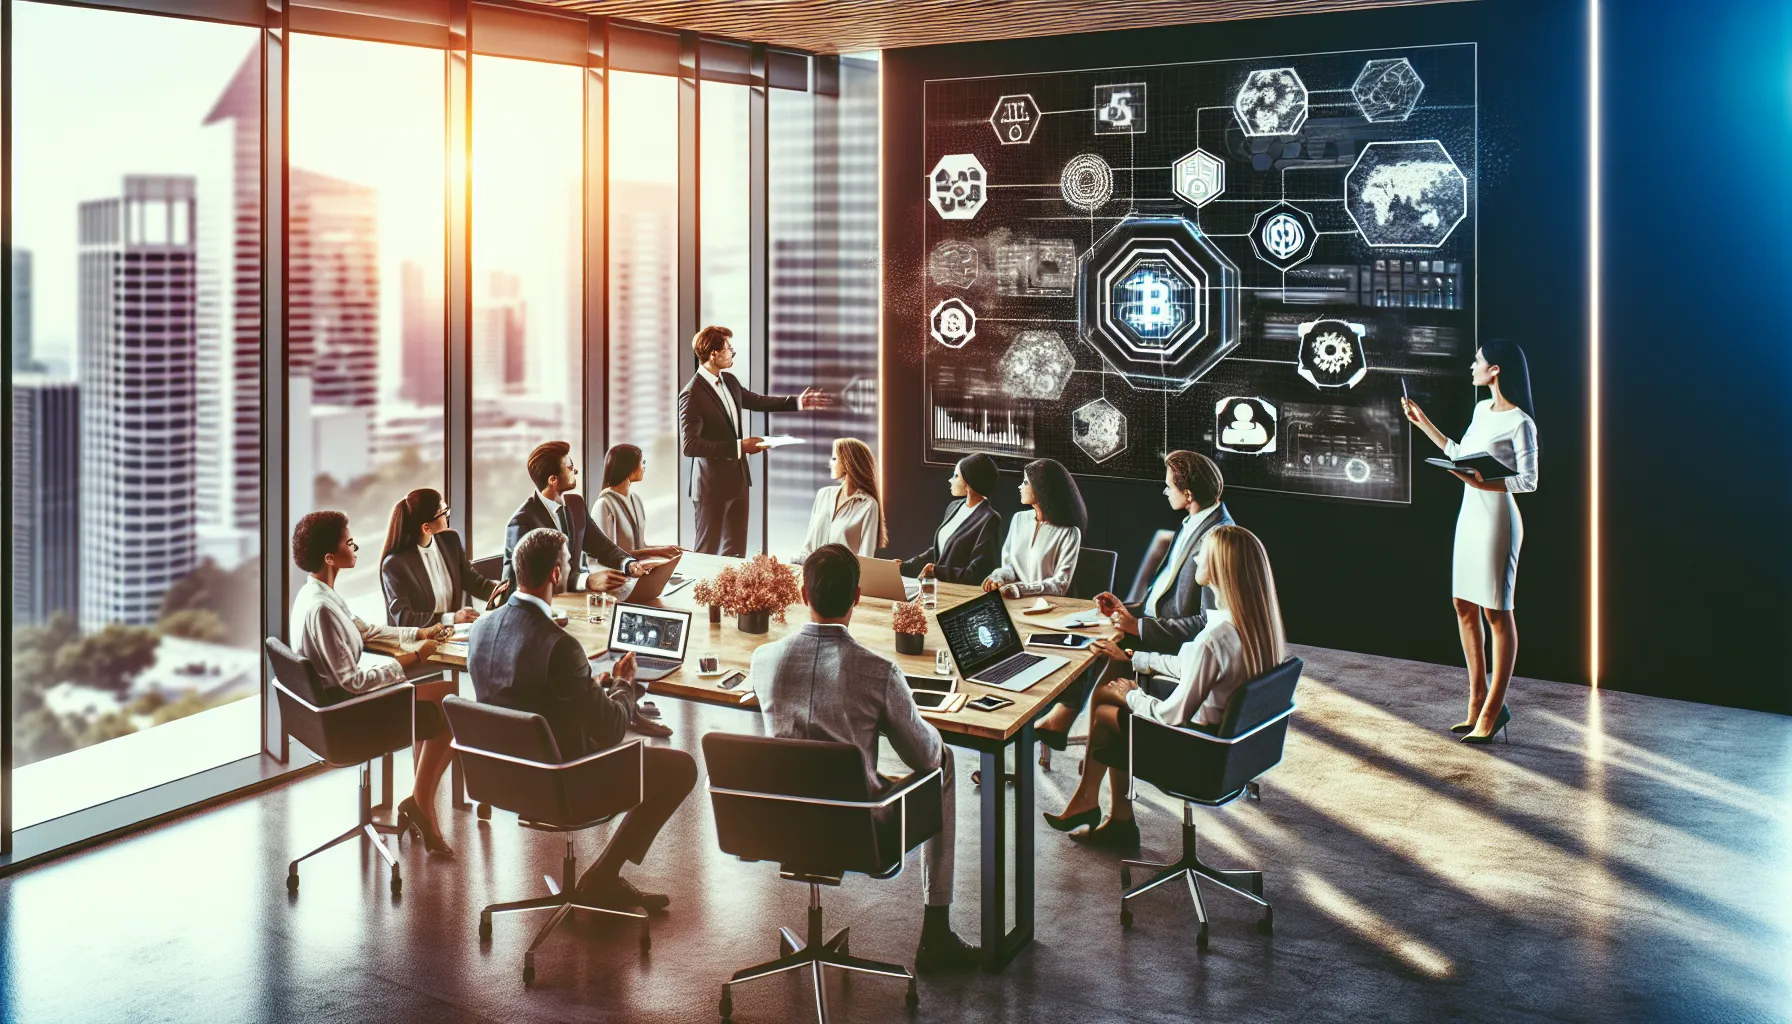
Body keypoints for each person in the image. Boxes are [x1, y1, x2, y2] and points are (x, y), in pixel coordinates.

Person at [749, 544, 981, 971]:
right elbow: (926, 758)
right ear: (857, 598)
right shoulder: (878, 671)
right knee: (945, 762)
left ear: (803, 595)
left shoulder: (762, 661)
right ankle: (936, 932)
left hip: (777, 823)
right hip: (857, 832)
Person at [468, 527, 697, 912]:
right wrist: (625, 685)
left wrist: (590, 687)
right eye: (569, 562)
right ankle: (602, 876)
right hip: (563, 783)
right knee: (681, 768)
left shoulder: (481, 626)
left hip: (503, 778)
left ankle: (602, 878)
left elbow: (526, 694)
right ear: (556, 575)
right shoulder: (560, 645)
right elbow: (609, 730)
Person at [1045, 525, 1286, 849]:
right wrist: (1133, 657)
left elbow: (1171, 715)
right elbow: (1193, 666)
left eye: (1205, 554)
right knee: (1110, 696)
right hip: (1232, 751)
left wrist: (1133, 695)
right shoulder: (1255, 627)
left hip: (1196, 752)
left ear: (1219, 568)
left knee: (1105, 708)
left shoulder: (1213, 640)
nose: (1197, 557)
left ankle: (1106, 811)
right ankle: (1103, 810)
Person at [1032, 451, 1233, 748]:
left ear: (1188, 494)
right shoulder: (1193, 522)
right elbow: (1164, 596)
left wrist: (1138, 627)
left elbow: (1205, 623)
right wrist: (1130, 611)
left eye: (1169, 487)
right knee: (1091, 638)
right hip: (1150, 624)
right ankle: (1077, 733)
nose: (1165, 492)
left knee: (1096, 650)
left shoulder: (1216, 539)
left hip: (1171, 642)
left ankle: (1070, 727)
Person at [289, 511, 458, 855]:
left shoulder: (319, 594)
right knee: (451, 713)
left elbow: (365, 631)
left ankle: (420, 801)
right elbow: (353, 681)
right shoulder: (321, 609)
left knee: (446, 695)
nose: (356, 546)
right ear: (330, 557)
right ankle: (422, 803)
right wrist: (414, 658)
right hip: (348, 718)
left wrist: (419, 632)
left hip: (340, 705)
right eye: (349, 541)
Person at [1402, 338, 1539, 743]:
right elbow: (1461, 453)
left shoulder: (1520, 422)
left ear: (1495, 370)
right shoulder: (1481, 410)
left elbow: (1529, 481)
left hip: (1498, 519)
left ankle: (1494, 710)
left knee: (1498, 613)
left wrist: (1483, 480)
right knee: (1463, 605)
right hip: (1470, 516)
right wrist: (1423, 422)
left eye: (1477, 361)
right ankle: (1476, 701)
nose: (1472, 366)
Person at [679, 324, 829, 556]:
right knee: (706, 553)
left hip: (738, 481)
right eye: (729, 349)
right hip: (711, 488)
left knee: (736, 551)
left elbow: (758, 401)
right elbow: (690, 446)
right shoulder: (692, 394)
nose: (732, 353)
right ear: (713, 354)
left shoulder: (729, 381)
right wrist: (740, 446)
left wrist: (798, 402)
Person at [503, 440, 654, 594]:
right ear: (552, 480)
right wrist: (586, 580)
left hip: (573, 600)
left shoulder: (576, 505)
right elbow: (528, 582)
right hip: (541, 609)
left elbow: (602, 546)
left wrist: (627, 564)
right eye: (570, 468)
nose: (575, 471)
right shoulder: (522, 522)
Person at [380, 487, 510, 629]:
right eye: (442, 513)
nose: (447, 515)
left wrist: (500, 590)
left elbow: (470, 580)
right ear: (426, 528)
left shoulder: (449, 540)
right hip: (422, 641)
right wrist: (451, 618)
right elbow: (405, 618)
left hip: (456, 634)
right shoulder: (394, 565)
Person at [982, 458, 1085, 598]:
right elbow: (1010, 568)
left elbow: (1060, 585)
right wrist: (998, 577)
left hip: (1050, 607)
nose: (1020, 487)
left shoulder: (1069, 533)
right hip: (1016, 601)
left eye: (1025, 482)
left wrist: (1023, 589)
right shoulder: (1019, 519)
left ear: (1042, 487)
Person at [901, 453, 1004, 584]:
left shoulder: (990, 519)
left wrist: (937, 571)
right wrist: (904, 566)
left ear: (969, 483)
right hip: (936, 588)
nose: (950, 480)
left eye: (956, 476)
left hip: (959, 595)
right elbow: (940, 550)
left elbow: (979, 573)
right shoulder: (954, 506)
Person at [791, 437, 887, 561]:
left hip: (843, 579)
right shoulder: (823, 495)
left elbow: (866, 558)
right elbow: (807, 547)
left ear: (848, 462)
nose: (830, 463)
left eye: (835, 458)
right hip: (814, 576)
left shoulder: (868, 505)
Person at [595, 444, 683, 560]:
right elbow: (609, 554)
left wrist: (667, 549)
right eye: (642, 462)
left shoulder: (635, 500)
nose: (644, 467)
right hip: (619, 573)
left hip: (640, 568)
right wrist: (658, 551)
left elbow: (640, 546)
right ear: (630, 468)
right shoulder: (604, 504)